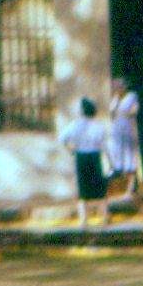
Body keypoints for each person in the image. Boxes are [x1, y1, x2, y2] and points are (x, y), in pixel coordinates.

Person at [58, 97, 109, 228]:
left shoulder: (74, 125)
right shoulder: (98, 126)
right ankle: (104, 217)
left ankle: (83, 220)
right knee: (99, 188)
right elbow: (104, 145)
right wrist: (109, 161)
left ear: (81, 111)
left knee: (82, 188)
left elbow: (62, 138)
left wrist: (71, 149)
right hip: (95, 157)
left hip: (80, 157)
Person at [105, 79, 143, 198]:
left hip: (128, 131)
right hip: (117, 132)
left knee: (129, 160)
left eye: (119, 87)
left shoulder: (132, 97)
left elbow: (133, 111)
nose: (117, 90)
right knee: (117, 160)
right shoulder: (115, 100)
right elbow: (111, 114)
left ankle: (130, 189)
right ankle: (119, 189)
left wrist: (123, 113)